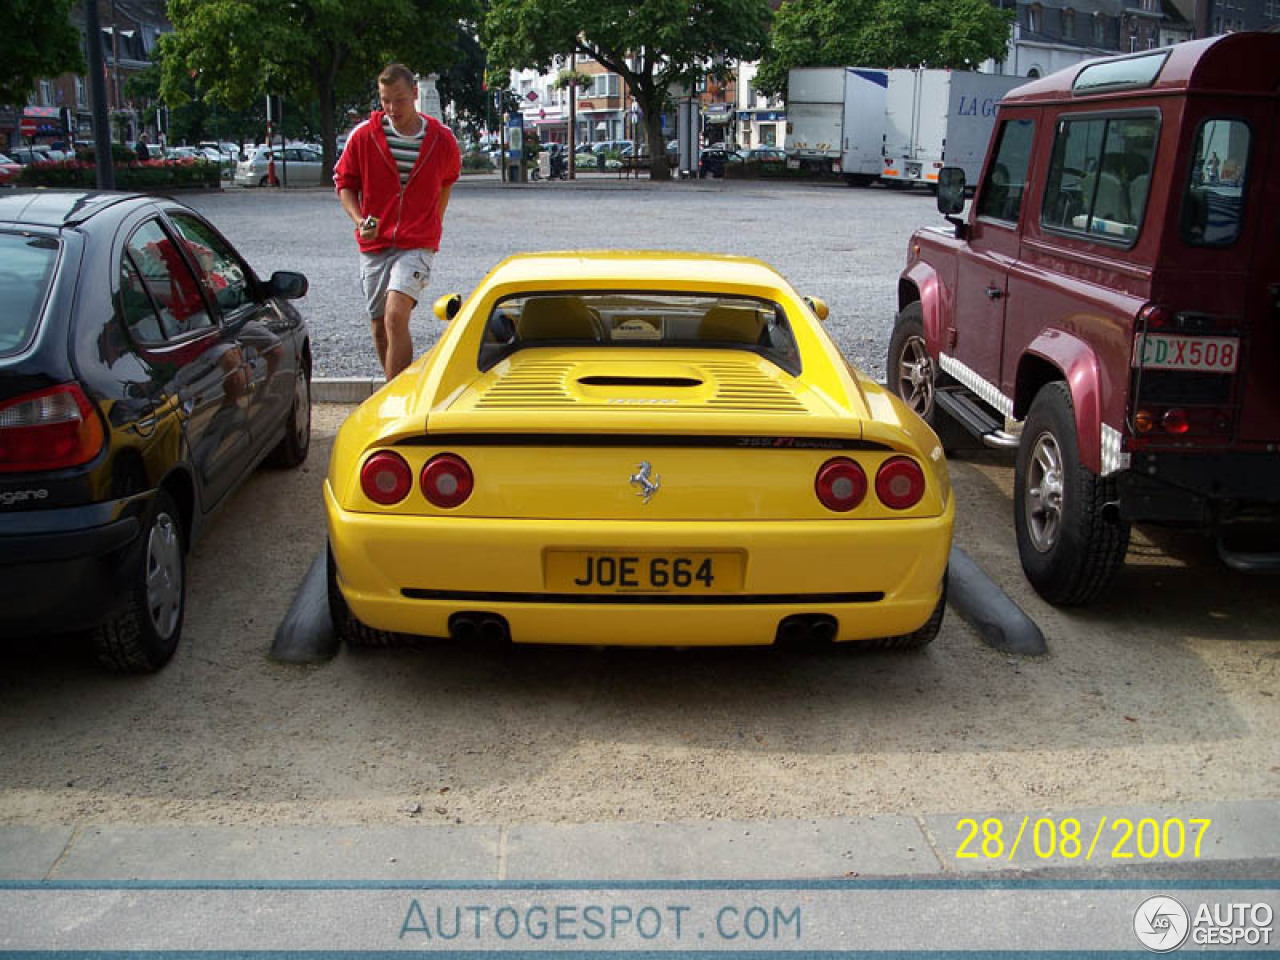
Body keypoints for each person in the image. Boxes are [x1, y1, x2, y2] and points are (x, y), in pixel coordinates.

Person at [333, 63, 461, 380]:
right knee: (379, 327)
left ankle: (396, 404)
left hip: (416, 242)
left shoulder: (441, 139)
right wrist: (359, 218)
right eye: (385, 100)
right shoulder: (364, 136)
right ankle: (398, 385)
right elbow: (345, 183)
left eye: (399, 100)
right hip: (375, 242)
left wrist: (433, 226)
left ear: (415, 94)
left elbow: (446, 183)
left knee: (395, 314)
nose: (391, 109)